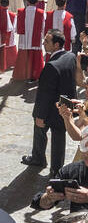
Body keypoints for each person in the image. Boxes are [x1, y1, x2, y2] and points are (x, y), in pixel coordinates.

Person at [36, 28, 79, 170]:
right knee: (59, 138)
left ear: (56, 45)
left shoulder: (51, 66)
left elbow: (44, 94)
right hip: (65, 105)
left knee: (40, 130)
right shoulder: (71, 56)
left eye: (46, 41)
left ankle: (38, 158)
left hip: (51, 108)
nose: (43, 43)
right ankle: (56, 169)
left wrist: (40, 116)